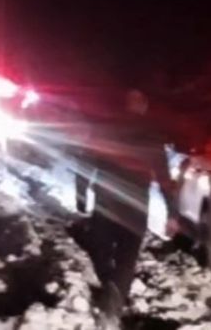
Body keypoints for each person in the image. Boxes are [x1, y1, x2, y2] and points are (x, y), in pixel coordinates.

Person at [73, 88, 172, 320]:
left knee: (102, 248)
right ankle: (113, 304)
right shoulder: (151, 135)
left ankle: (109, 288)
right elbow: (164, 178)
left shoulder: (106, 128)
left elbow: (86, 161)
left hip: (107, 199)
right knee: (127, 256)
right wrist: (172, 212)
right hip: (135, 203)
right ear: (144, 106)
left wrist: (81, 194)